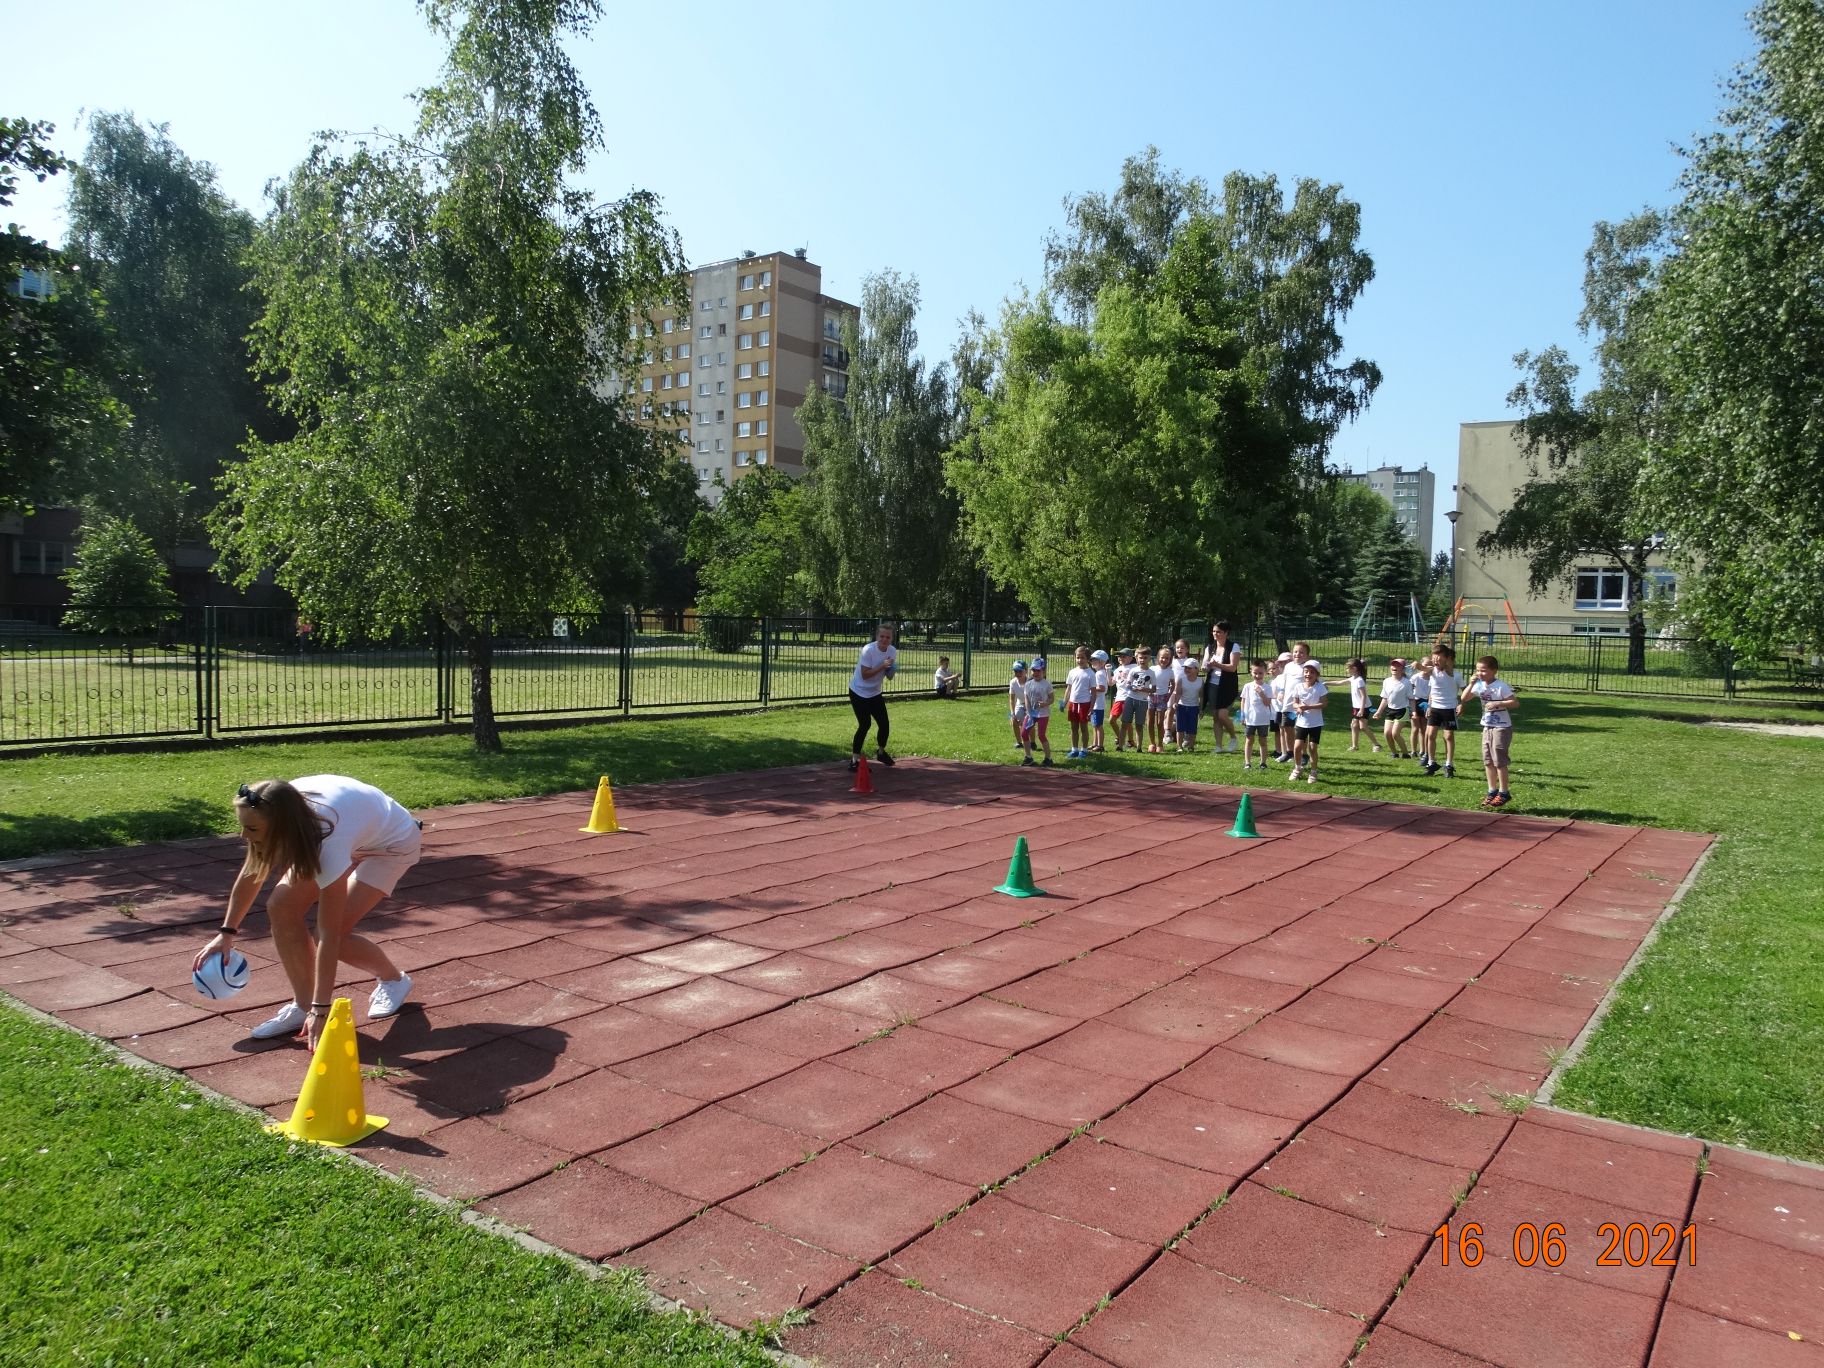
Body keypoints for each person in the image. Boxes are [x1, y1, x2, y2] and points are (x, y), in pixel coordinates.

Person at [193, 776, 422, 1047]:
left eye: (251, 829)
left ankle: (394, 981)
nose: (244, 836)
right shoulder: (276, 804)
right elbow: (252, 871)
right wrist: (226, 933)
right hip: (354, 828)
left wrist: (321, 1008)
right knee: (281, 906)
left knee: (337, 938)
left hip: (391, 845)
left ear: (282, 828)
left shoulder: (327, 841)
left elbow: (329, 933)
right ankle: (301, 1005)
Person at [1463, 655, 1518, 807]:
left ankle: (1504, 792)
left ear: (1494, 671)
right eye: (1478, 670)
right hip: (1487, 725)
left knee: (1499, 760)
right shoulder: (1479, 684)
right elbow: (1464, 698)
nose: (1480, 673)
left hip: (1502, 727)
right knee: (1488, 760)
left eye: (1484, 670)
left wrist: (1498, 703)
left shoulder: (1501, 686)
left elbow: (1515, 703)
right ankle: (1492, 791)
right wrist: (1471, 684)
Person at [848, 623, 898, 772]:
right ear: (877, 636)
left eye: (888, 637)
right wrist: (882, 666)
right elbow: (865, 675)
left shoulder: (892, 651)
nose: (884, 639)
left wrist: (892, 669)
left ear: (892, 638)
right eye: (882, 636)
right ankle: (854, 761)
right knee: (865, 725)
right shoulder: (868, 650)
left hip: (875, 693)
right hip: (859, 692)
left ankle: (881, 753)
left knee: (884, 724)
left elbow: (888, 677)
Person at [1422, 643, 1464, 778]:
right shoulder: (1433, 672)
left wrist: (1462, 704)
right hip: (1435, 708)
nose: (1436, 662)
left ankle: (1449, 764)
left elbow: (1464, 692)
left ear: (1448, 659)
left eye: (1439, 659)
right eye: (1434, 659)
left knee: (1448, 736)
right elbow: (1432, 692)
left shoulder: (1455, 674)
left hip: (1449, 709)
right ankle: (1431, 762)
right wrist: (1429, 706)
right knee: (1430, 735)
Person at [1201, 621, 1242, 754]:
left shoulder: (1233, 647)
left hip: (1227, 685)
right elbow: (1205, 666)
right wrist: (1204, 667)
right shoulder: (1210, 648)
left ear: (1226, 633)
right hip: (1212, 685)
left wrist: (1217, 664)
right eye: (1214, 631)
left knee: (1223, 715)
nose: (1215, 634)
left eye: (1218, 631)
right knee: (1215, 716)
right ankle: (1218, 746)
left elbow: (1232, 667)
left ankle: (1233, 738)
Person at [1291, 661, 1327, 784]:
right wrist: (1298, 707)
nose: (1308, 674)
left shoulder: (1320, 687)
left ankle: (1313, 772)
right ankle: (1297, 768)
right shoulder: (1298, 687)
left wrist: (1308, 707)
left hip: (1315, 723)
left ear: (1317, 675)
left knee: (1312, 748)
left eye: (1312, 672)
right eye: (1306, 672)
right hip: (1301, 723)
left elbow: (1324, 703)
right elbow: (1294, 702)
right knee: (1297, 747)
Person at [1237, 659, 1276, 771]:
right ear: (1251, 672)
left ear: (1265, 672)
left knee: (1262, 741)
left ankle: (1263, 763)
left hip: (1263, 720)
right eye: (1255, 673)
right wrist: (1242, 715)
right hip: (1250, 719)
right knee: (1249, 740)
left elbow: (1267, 703)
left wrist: (1261, 693)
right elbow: (1243, 701)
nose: (1258, 675)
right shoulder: (1247, 686)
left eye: (1260, 673)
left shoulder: (1268, 688)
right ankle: (1247, 762)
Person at [1374, 658, 1414, 758]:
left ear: (1403, 669)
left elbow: (1411, 699)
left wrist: (1413, 711)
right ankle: (1394, 753)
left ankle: (1405, 754)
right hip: (1390, 710)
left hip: (1402, 710)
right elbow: (1385, 698)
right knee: (1387, 733)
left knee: (1395, 733)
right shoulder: (1386, 681)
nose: (1394, 667)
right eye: (1393, 665)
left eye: (1398, 666)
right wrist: (1379, 712)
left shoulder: (1406, 683)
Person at [1064, 646, 1096, 759]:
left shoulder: (1091, 674)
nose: (1079, 660)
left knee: (1083, 728)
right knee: (1073, 727)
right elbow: (1069, 688)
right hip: (1073, 703)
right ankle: (1074, 749)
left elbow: (1093, 692)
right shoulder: (1072, 672)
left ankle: (1084, 749)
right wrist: (1065, 701)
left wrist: (1091, 707)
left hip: (1084, 704)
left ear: (1088, 659)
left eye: (1082, 658)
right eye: (1077, 657)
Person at [1337, 658, 1375, 753]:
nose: (1346, 670)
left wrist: (1361, 710)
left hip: (1364, 706)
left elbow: (1363, 696)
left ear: (1354, 668)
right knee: (1354, 725)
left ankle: (1377, 744)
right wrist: (1325, 683)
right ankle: (1354, 746)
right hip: (1356, 707)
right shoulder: (1353, 679)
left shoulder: (1359, 681)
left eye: (1347, 668)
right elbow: (1340, 682)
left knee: (1362, 727)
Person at [1023, 655, 1055, 766]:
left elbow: (1052, 699)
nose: (1035, 673)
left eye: (1038, 670)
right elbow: (1026, 699)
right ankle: (1028, 757)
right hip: (1031, 713)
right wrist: (1029, 712)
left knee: (1041, 735)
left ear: (1043, 671)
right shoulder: (1028, 684)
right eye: (1033, 670)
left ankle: (1048, 758)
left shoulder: (1047, 684)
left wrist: (1045, 703)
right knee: (1024, 733)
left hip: (1043, 714)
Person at [1122, 648, 1155, 752]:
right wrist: (1132, 688)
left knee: (1139, 725)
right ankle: (1120, 746)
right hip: (1130, 698)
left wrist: (1144, 689)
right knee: (1125, 722)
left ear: (1149, 658)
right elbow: (1127, 684)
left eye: (1145, 658)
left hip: (1143, 701)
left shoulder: (1151, 673)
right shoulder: (1133, 670)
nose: (1142, 660)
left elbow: (1153, 689)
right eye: (1140, 658)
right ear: (1137, 658)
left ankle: (1139, 747)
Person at [1151, 641, 1176, 754]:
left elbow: (1173, 685)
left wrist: (1168, 695)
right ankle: (1152, 743)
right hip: (1151, 697)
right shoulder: (1152, 669)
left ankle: (1160, 744)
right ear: (1158, 657)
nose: (1164, 660)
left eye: (1167, 658)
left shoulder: (1170, 671)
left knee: (1160, 723)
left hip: (1162, 698)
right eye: (1162, 658)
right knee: (1150, 721)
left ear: (1170, 659)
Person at [1174, 654, 1202, 752]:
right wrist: (1175, 703)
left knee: (1192, 728)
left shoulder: (1200, 681)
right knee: (1180, 727)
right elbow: (1178, 693)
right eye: (1185, 668)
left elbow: (1201, 696)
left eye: (1189, 668)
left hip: (1194, 707)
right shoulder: (1181, 680)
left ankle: (1191, 746)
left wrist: (1201, 709)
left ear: (1196, 669)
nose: (1186, 670)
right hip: (1182, 705)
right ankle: (1179, 747)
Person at [1088, 649, 1111, 752]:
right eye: (1092, 659)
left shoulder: (1099, 674)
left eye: (1095, 660)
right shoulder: (1099, 673)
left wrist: (1090, 688)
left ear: (1102, 662)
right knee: (1094, 725)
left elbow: (1102, 688)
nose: (1092, 661)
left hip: (1098, 704)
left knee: (1098, 725)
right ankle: (1094, 743)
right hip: (1095, 703)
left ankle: (1100, 745)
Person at [1007, 659, 1029, 749]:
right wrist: (1012, 713)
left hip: (1030, 704)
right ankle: (1019, 742)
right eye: (1016, 671)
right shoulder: (1013, 682)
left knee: (1028, 722)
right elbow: (1012, 699)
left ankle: (1032, 742)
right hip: (1020, 702)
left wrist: (1029, 710)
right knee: (1014, 721)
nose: (1018, 673)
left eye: (1020, 671)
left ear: (1026, 671)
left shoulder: (1030, 682)